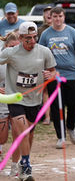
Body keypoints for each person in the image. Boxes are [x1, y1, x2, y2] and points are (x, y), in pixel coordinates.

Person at [0, 22, 56, 180]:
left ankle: (21, 162)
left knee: (28, 135)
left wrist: (51, 76)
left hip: (34, 100)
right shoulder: (10, 53)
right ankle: (25, 165)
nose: (32, 42)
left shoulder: (44, 52)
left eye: (34, 38)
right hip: (15, 98)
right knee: (23, 131)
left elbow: (53, 71)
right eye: (28, 39)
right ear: (20, 37)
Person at [39, 7, 75, 149]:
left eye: (60, 16)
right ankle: (61, 136)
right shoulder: (46, 34)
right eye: (55, 16)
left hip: (72, 75)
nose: (57, 19)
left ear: (64, 17)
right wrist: (45, 72)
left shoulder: (72, 32)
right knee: (57, 107)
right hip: (54, 75)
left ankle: (71, 127)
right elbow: (40, 55)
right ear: (50, 18)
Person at [0, 31, 21, 177]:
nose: (14, 50)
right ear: (6, 46)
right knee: (2, 134)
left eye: (17, 47)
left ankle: (15, 164)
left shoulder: (23, 57)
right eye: (12, 47)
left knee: (18, 132)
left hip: (18, 98)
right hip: (2, 98)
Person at [37, 5, 53, 125]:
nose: (48, 14)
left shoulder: (62, 29)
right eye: (46, 13)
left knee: (58, 91)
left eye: (51, 12)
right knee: (45, 90)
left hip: (60, 65)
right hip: (45, 64)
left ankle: (57, 115)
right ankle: (47, 117)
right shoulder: (40, 30)